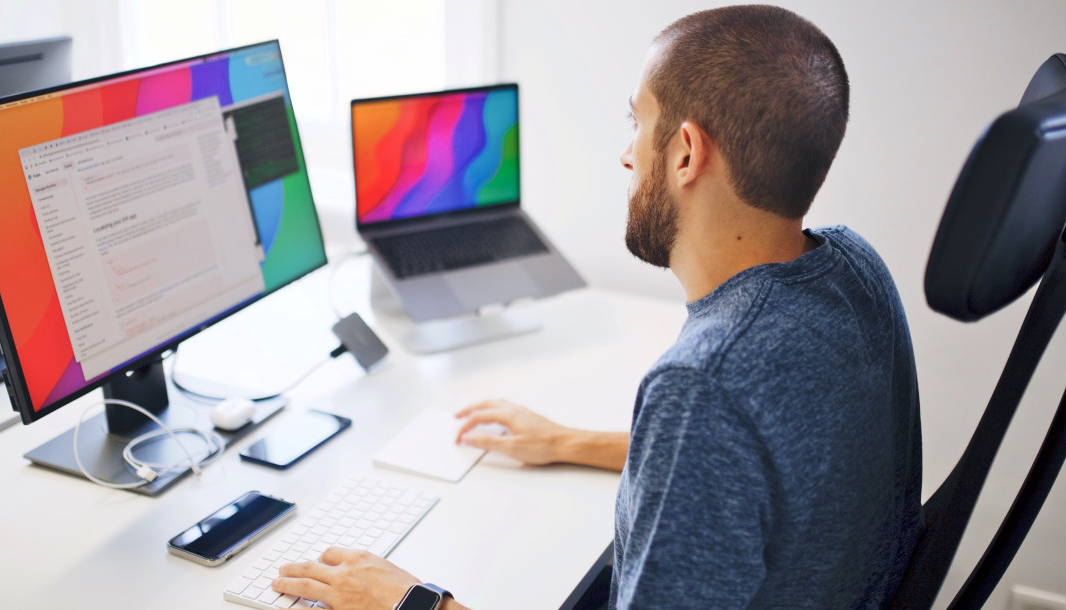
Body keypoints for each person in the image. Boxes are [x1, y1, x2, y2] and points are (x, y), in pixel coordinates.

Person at [272, 5, 922, 608]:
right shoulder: (855, 268)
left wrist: (417, 603)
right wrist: (567, 441)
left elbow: (717, 427)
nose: (626, 152)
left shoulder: (703, 386)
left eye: (638, 121)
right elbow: (762, 462)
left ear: (686, 153)